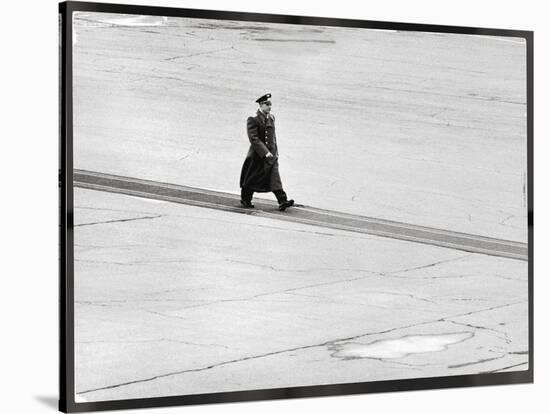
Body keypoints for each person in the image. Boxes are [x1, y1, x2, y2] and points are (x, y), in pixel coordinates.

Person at [239, 93, 294, 211]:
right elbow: (254, 139)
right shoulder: (253, 119)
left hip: (271, 155)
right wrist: (265, 152)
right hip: (258, 155)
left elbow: (273, 137)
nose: (270, 107)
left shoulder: (271, 117)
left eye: (270, 104)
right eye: (267, 104)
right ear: (261, 105)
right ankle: (245, 199)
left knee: (275, 177)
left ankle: (282, 201)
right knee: (251, 178)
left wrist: (275, 152)